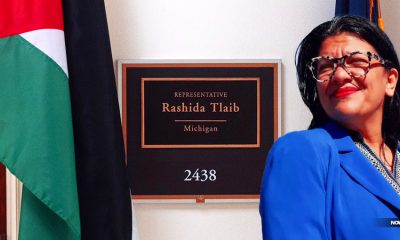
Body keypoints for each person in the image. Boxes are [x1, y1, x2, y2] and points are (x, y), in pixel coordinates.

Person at [259, 15, 400, 239]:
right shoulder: (302, 151)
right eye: (325, 66)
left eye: (356, 61)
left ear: (390, 80)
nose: (340, 75)